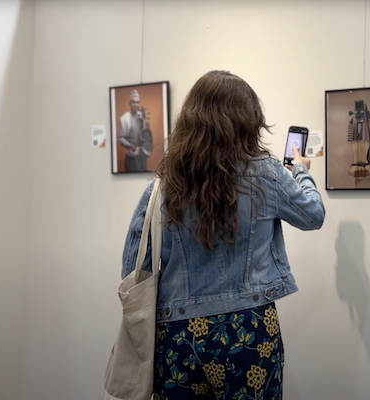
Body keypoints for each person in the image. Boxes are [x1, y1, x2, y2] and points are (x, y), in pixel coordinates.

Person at [121, 70, 325, 400]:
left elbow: (132, 270)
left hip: (179, 335)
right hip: (249, 330)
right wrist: (300, 170)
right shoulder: (268, 173)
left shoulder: (161, 187)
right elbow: (313, 215)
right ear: (248, 121)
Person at [118, 89, 150, 172]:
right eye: (133, 102)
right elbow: (121, 138)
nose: (136, 105)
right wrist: (129, 145)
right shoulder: (125, 118)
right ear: (130, 103)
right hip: (131, 156)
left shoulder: (142, 116)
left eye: (138, 102)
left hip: (142, 156)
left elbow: (146, 135)